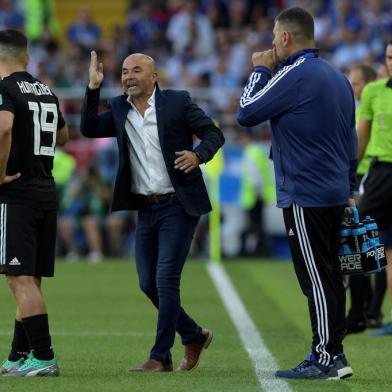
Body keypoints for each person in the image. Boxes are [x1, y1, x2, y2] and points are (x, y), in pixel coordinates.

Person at [80, 51, 224, 371]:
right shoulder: (119, 108)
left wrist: (198, 155)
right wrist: (93, 87)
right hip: (145, 208)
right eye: (124, 72)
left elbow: (214, 133)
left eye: (136, 70)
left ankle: (160, 356)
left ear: (154, 76)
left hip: (179, 204)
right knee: (148, 284)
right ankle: (193, 334)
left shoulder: (177, 102)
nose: (128, 76)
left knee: (166, 279)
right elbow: (89, 128)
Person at [237, 7, 357, 380]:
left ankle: (327, 357)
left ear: (286, 38)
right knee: (331, 275)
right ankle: (333, 352)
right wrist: (349, 186)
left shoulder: (294, 74)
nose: (271, 44)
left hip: (306, 192)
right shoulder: (338, 77)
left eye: (274, 37)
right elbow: (350, 142)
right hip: (335, 190)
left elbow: (246, 112)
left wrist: (259, 68)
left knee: (316, 279)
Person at [0, 29, 68, 376]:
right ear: (26, 57)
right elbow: (63, 135)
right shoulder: (46, 90)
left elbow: (3, 129)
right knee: (29, 278)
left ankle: (43, 356)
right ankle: (17, 356)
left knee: (18, 279)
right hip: (46, 190)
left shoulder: (4, 89)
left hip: (18, 195)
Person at [357, 41, 392, 336]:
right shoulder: (374, 92)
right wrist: (348, 175)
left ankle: (368, 310)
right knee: (378, 244)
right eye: (389, 57)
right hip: (380, 172)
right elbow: (362, 138)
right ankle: (364, 310)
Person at [346, 63, 379, 334]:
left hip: (367, 182)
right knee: (368, 248)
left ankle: (361, 312)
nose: (352, 88)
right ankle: (367, 310)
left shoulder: (369, 109)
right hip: (364, 181)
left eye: (356, 83)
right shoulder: (357, 109)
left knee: (361, 247)